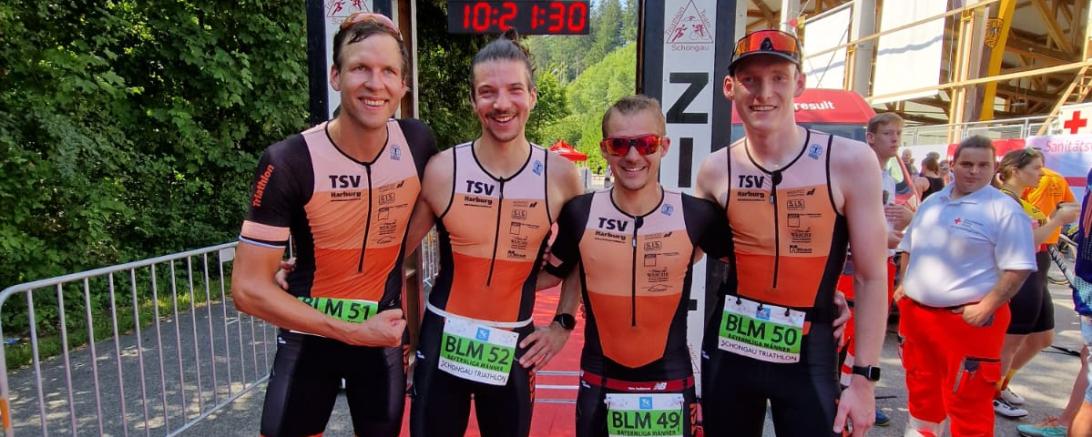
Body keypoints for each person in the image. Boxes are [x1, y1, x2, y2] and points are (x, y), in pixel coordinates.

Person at [230, 13, 437, 437]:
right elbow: (248, 290)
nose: (375, 83)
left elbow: (437, 206)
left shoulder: (418, 142)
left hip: (380, 338)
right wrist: (351, 331)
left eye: (388, 72)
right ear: (335, 76)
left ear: (402, 86)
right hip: (309, 340)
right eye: (360, 67)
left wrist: (389, 256)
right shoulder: (288, 161)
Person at [695, 29, 888, 437]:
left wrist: (863, 379)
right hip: (732, 346)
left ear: (799, 83)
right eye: (750, 80)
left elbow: (872, 276)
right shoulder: (715, 169)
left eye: (778, 78)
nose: (764, 92)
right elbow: (685, 248)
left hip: (810, 351)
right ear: (730, 88)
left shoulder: (850, 161)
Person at [407, 32, 584, 437]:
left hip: (514, 343)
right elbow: (394, 252)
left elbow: (580, 259)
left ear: (533, 96)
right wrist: (310, 265)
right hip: (442, 338)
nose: (501, 104)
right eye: (487, 92)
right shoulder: (442, 169)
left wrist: (562, 324)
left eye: (514, 90)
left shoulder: (561, 176)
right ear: (473, 100)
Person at [530, 95, 731, 437]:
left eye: (646, 144)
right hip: (601, 377)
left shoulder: (697, 215)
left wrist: (824, 297)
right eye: (620, 144)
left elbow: (753, 267)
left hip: (670, 379)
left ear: (664, 146)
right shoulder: (580, 213)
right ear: (605, 149)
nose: (633, 156)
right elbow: (549, 275)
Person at [895, 135, 1036, 436]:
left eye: (983, 165)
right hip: (919, 319)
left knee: (968, 405)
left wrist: (986, 306)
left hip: (968, 323)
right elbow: (910, 246)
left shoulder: (1004, 210)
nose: (974, 171)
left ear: (994, 168)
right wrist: (903, 283)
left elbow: (1019, 268)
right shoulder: (932, 202)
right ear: (953, 165)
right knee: (922, 394)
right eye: (967, 164)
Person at [835, 111, 915, 428]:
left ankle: (856, 391)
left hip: (883, 260)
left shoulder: (889, 177)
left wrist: (901, 230)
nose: (895, 139)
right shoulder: (856, 170)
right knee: (849, 331)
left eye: (898, 134)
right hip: (856, 265)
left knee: (870, 333)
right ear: (870, 137)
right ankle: (841, 394)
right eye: (888, 134)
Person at [992, 149, 1080, 419]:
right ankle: (991, 394)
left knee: (1043, 337)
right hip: (1021, 271)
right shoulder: (1004, 200)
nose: (1041, 173)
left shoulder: (1017, 199)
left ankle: (1002, 384)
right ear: (1016, 170)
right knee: (1012, 340)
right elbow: (1024, 241)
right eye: (1035, 168)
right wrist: (1056, 221)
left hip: (1038, 267)